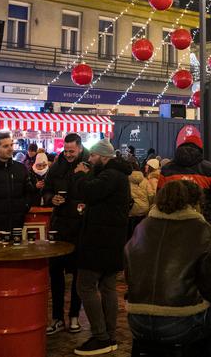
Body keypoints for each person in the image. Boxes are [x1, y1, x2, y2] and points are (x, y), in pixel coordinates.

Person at [125, 180, 211, 357]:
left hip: (137, 320)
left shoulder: (142, 227)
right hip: (180, 321)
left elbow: (129, 272)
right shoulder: (202, 229)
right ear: (193, 203)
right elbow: (210, 286)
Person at [71, 139, 132, 356]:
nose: (89, 159)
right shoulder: (117, 175)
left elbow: (88, 192)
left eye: (93, 156)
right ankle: (109, 335)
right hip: (111, 240)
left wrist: (80, 174)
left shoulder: (110, 175)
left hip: (100, 240)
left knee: (85, 285)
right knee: (107, 286)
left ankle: (101, 337)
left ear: (104, 157)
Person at [42, 133, 89, 335]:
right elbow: (46, 190)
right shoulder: (56, 167)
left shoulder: (88, 165)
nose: (68, 154)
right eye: (66, 150)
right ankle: (57, 317)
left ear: (79, 148)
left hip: (80, 226)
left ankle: (74, 316)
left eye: (72, 151)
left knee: (79, 273)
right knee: (56, 272)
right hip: (59, 225)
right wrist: (51, 198)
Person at [158, 135, 211, 225]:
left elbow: (159, 196)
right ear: (199, 149)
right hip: (202, 221)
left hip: (173, 222)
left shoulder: (166, 169)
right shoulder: (209, 169)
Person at [128, 164, 155, 238]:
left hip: (131, 210)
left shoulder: (126, 180)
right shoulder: (145, 181)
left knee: (130, 232)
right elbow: (151, 195)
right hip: (144, 209)